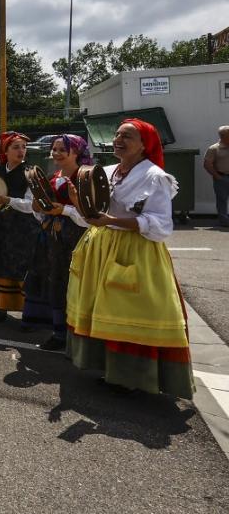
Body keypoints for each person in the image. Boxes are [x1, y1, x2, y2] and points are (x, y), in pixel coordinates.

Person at [66, 119, 194, 398]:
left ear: (144, 145)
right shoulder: (107, 171)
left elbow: (161, 225)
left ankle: (132, 376)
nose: (119, 139)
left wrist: (114, 221)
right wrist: (79, 203)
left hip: (135, 250)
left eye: (128, 136)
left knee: (129, 310)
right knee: (102, 308)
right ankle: (108, 369)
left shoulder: (154, 177)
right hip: (101, 246)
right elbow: (93, 215)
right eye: (118, 135)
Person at [21, 135, 92, 350]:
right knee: (55, 281)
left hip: (77, 239)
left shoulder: (85, 177)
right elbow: (42, 211)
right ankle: (59, 332)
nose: (56, 153)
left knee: (74, 283)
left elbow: (90, 216)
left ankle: (78, 334)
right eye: (54, 149)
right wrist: (37, 208)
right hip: (52, 239)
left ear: (77, 152)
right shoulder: (53, 178)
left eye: (63, 149)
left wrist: (65, 209)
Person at [0, 132, 41, 322]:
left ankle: (29, 312)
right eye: (16, 147)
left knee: (21, 267)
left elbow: (31, 205)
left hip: (21, 228)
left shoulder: (30, 173)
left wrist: (7, 200)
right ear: (5, 151)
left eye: (23, 147)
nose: (21, 151)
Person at [204, 125, 229, 227]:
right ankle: (224, 221)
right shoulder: (214, 149)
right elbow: (207, 164)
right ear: (223, 136)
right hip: (222, 178)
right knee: (222, 200)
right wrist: (217, 176)